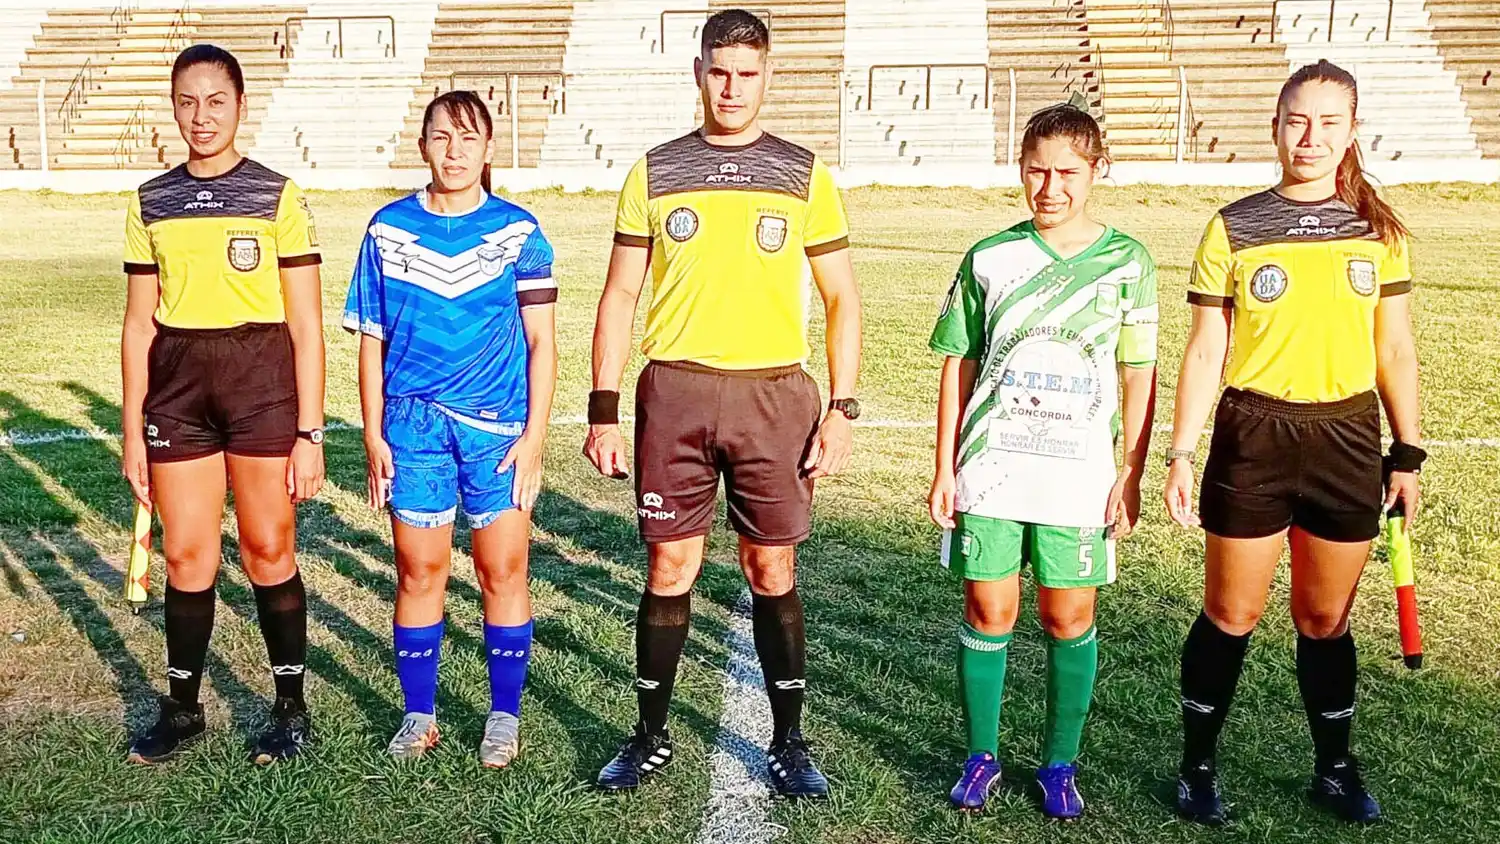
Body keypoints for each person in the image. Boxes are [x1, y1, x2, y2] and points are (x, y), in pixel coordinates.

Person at [582, 9, 861, 798]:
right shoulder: (654, 171)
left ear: (769, 76)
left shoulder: (805, 174)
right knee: (671, 563)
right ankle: (649, 736)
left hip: (775, 396)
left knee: (771, 564)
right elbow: (620, 292)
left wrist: (842, 408)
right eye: (718, 71)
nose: (732, 87)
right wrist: (604, 408)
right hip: (675, 392)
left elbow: (842, 298)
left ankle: (789, 742)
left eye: (747, 73)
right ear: (698, 71)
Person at [1165, 60, 1422, 825]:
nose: (1310, 137)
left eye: (1328, 123)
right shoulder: (1234, 227)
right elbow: (1206, 349)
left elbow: (1395, 350)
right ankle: (1197, 767)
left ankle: (1335, 770)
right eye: (1297, 120)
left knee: (1324, 620)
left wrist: (1406, 453)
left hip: (1346, 436)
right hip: (1255, 436)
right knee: (1231, 614)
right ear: (1275, 126)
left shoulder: (1378, 231)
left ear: (1352, 132)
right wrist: (1182, 452)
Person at [928, 104, 1158, 817]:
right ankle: (981, 756)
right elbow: (957, 365)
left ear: (1096, 172)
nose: (1050, 187)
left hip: (1078, 477)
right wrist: (942, 467)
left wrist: (1133, 470)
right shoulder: (990, 257)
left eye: (1066, 173)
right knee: (988, 611)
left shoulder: (1129, 261)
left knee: (1067, 616)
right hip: (993, 466)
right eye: (1036, 170)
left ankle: (1060, 764)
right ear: (1020, 170)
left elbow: (1139, 371)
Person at [121, 44, 324, 765]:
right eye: (186, 101)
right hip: (178, 393)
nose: (200, 116)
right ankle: (182, 710)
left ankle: (290, 707)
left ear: (241, 106)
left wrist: (310, 430)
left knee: (270, 548)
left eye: (215, 101)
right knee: (186, 554)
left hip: (261, 388)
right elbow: (140, 321)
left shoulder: (277, 195)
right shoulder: (152, 201)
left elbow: (304, 322)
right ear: (172, 106)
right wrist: (130, 427)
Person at [343, 91, 557, 767]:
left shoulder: (520, 233)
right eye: (441, 137)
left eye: (468, 138)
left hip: (496, 431)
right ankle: (418, 715)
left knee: (503, 568)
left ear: (489, 148)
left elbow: (542, 344)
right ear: (423, 145)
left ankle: (503, 715)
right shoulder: (386, 230)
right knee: (418, 569)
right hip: (411, 428)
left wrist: (534, 438)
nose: (455, 150)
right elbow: (370, 341)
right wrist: (374, 433)